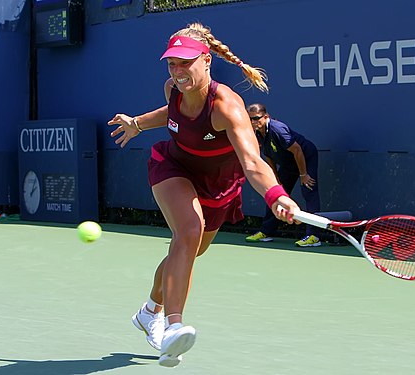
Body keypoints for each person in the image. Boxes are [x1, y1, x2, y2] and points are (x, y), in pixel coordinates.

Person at [107, 23, 300, 367]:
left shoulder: (228, 108)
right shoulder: (173, 88)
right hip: (173, 167)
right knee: (189, 231)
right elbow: (173, 113)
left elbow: (253, 161)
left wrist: (276, 196)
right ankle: (173, 326)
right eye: (172, 64)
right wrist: (137, 123)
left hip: (220, 186)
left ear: (206, 61)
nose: (178, 72)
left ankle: (150, 311)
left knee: (190, 250)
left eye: (186, 63)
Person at [245, 103, 322, 247]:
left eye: (256, 118)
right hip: (287, 163)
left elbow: (297, 150)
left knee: (308, 191)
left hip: (304, 157)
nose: (253, 122)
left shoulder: (277, 129)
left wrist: (303, 174)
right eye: (250, 119)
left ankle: (314, 236)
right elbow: (268, 156)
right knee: (275, 193)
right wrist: (275, 179)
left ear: (266, 117)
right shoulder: (257, 132)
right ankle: (266, 232)